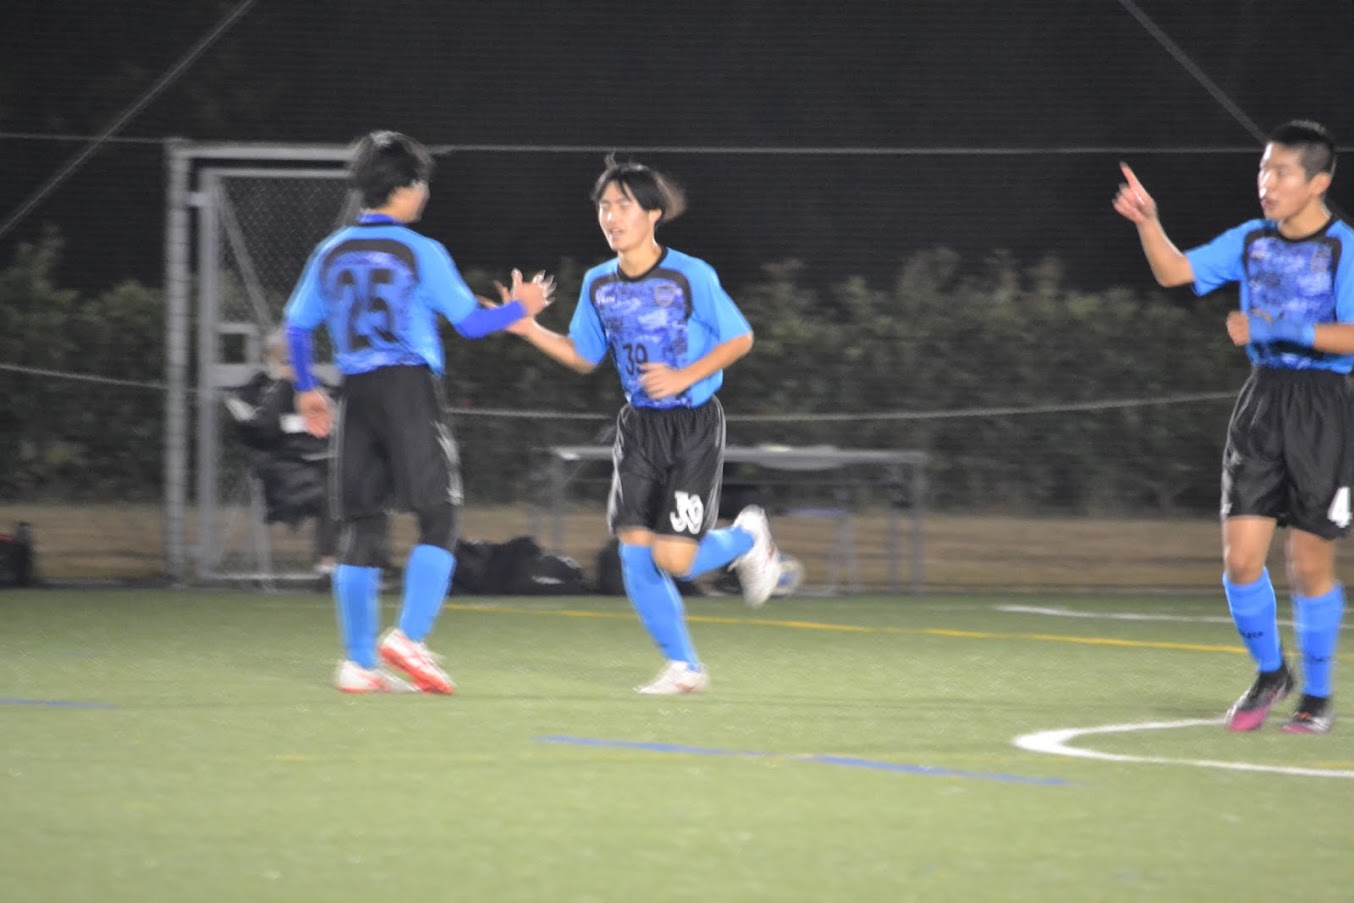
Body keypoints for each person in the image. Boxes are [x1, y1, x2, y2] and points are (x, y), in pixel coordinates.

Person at [498, 154, 782, 695]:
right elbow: (584, 355)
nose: (611, 216)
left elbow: (740, 337)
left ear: (653, 213)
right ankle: (684, 668)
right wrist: (529, 328)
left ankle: (746, 538)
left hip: (693, 426)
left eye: (623, 205)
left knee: (675, 560)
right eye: (604, 206)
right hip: (639, 429)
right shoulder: (598, 283)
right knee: (633, 550)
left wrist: (683, 376)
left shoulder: (690, 275)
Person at [282, 130, 553, 694]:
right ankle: (409, 636)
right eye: (422, 182)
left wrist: (307, 388)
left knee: (362, 524)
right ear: (403, 187)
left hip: (356, 394)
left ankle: (358, 664)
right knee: (441, 516)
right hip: (407, 389)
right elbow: (471, 324)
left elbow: (298, 325)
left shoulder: (330, 251)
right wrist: (520, 310)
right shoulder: (419, 251)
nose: (426, 193)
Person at [1114, 120, 1352, 733]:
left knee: (1309, 565)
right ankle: (1272, 673)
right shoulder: (1250, 240)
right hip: (1262, 402)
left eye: (1281, 172)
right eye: (1262, 170)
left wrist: (1278, 327)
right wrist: (1148, 222)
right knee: (1241, 561)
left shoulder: (1344, 248)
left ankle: (1318, 697)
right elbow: (1175, 272)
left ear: (1318, 182)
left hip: (1323, 409)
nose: (1266, 183)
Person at [226, 329, 339, 580]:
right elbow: (258, 430)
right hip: (280, 467)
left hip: (321, 463)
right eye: (286, 359)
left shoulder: (316, 388)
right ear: (270, 358)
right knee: (330, 493)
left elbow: (333, 423)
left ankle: (336, 568)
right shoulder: (257, 390)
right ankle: (327, 568)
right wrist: (283, 389)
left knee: (352, 487)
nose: (293, 366)